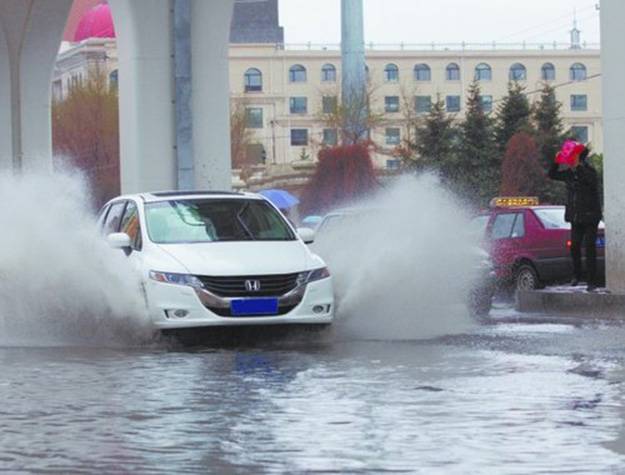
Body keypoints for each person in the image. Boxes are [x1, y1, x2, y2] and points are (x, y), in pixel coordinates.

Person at [548, 142, 602, 291]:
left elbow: (590, 182)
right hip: (575, 218)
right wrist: (556, 162)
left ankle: (592, 281)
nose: (570, 161)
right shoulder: (569, 173)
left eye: (573, 157)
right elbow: (552, 175)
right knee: (575, 246)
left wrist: (578, 166)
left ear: (579, 157)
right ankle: (577, 275)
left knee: (590, 247)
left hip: (590, 217)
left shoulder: (589, 171)